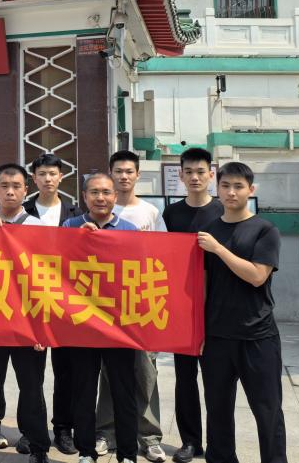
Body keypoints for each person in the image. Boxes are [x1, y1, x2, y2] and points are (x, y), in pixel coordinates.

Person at [197, 162, 286, 463]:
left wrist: (219, 249)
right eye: (225, 186)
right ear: (217, 188)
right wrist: (198, 330)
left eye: (238, 186)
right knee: (217, 409)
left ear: (251, 190)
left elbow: (257, 276)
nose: (231, 192)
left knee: (267, 410)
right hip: (216, 336)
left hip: (257, 335)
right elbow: (202, 286)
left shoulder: (265, 230)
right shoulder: (208, 232)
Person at [0, 164, 50, 463]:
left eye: (16, 186)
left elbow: (46, 280)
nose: (10, 191)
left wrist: (43, 328)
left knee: (32, 389)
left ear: (26, 190)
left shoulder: (38, 227)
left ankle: (38, 447)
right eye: (4, 186)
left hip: (27, 322)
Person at [96, 150, 167, 462]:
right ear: (110, 174)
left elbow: (163, 255)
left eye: (129, 171)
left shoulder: (150, 212)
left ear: (138, 175)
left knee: (145, 371)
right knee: (107, 373)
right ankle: (106, 432)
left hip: (140, 306)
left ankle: (149, 436)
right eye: (118, 171)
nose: (123, 176)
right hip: (104, 307)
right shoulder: (99, 209)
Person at [63, 173, 139, 463]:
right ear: (84, 197)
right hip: (82, 324)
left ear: (115, 197)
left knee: (124, 391)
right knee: (83, 391)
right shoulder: (70, 226)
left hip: (119, 324)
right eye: (94, 192)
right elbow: (57, 267)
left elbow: (138, 273)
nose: (100, 198)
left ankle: (128, 454)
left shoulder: (130, 230)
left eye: (106, 192)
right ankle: (86, 451)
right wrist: (77, 240)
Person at [162, 148, 223, 463]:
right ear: (181, 175)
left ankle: (218, 443)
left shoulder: (223, 209)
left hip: (218, 307)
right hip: (183, 308)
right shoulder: (172, 213)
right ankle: (190, 441)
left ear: (211, 174)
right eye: (189, 172)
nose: (195, 177)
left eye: (201, 171)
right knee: (184, 378)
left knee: (216, 380)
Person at [21, 154, 83, 456]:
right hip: (29, 302)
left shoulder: (76, 213)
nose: (47, 179)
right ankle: (29, 431)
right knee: (30, 375)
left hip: (64, 302)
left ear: (61, 177)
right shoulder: (22, 211)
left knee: (65, 371)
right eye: (42, 174)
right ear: (34, 179)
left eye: (52, 174)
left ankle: (63, 429)